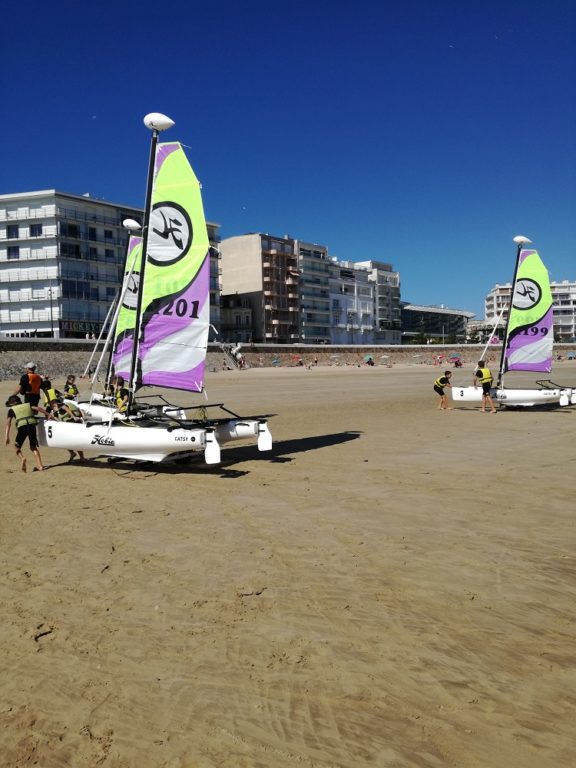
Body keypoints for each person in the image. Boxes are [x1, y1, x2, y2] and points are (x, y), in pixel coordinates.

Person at [4, 394, 48, 472]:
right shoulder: (28, 405)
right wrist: (48, 414)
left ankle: (22, 458)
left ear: (12, 403)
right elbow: (38, 408)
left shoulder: (11, 410)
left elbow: (8, 423)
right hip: (32, 426)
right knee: (33, 447)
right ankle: (40, 466)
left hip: (22, 428)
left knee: (16, 447)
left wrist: (6, 436)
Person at [46, 395, 85, 462]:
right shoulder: (55, 411)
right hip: (66, 426)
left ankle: (81, 457)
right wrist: (51, 417)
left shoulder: (62, 406)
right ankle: (72, 453)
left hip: (72, 424)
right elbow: (57, 420)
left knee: (75, 442)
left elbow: (67, 410)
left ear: (54, 404)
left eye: (52, 405)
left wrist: (73, 417)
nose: (51, 406)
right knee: (65, 441)